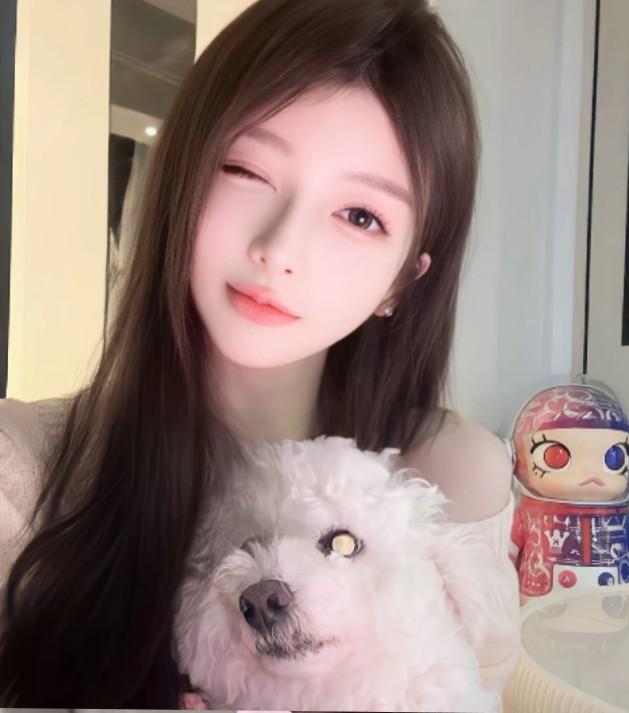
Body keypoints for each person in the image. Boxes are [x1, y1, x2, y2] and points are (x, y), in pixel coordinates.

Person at [0, 0, 519, 706]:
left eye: (360, 215)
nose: (279, 248)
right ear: (183, 173)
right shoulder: (22, 471)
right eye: (246, 169)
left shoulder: (454, 475)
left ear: (403, 280)